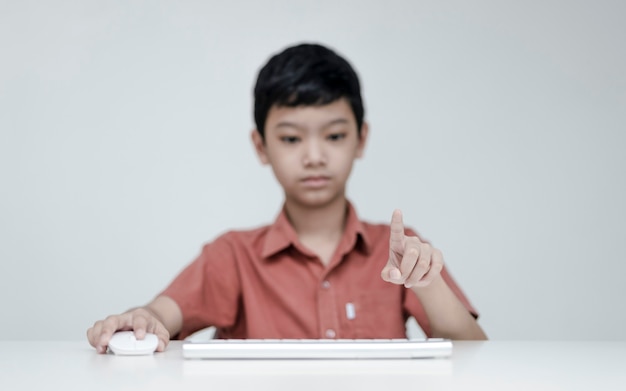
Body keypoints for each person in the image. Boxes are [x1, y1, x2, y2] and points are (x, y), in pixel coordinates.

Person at [87, 43, 487, 353]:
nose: (314, 156)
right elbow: (162, 314)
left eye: (334, 135)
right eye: (291, 138)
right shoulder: (233, 256)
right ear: (261, 146)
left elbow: (474, 352)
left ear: (361, 139)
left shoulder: (398, 251)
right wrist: (144, 319)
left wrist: (428, 284)